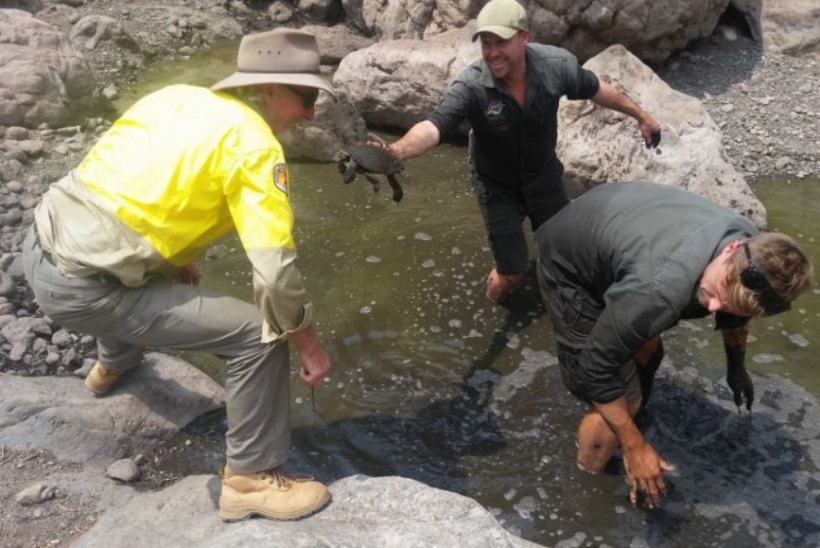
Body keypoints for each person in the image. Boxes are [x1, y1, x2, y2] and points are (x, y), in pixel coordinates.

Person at [23, 29, 337, 522]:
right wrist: (310, 346)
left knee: (142, 268)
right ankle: (250, 479)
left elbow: (122, 189)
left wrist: (170, 258)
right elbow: (276, 277)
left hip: (37, 243)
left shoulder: (175, 98)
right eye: (308, 97)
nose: (311, 112)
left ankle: (113, 365)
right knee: (261, 335)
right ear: (271, 91)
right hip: (82, 289)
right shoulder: (256, 147)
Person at [535, 181, 814, 508]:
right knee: (622, 396)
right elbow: (596, 368)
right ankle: (585, 483)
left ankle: (628, 417)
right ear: (730, 252)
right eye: (720, 291)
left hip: (622, 229)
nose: (712, 309)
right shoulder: (659, 289)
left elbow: (737, 312)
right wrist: (635, 447)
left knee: (650, 353)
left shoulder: (755, 246)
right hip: (569, 259)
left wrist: (736, 367)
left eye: (727, 307)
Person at [384, 0, 662, 303]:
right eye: (486, 44)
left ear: (524, 36)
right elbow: (435, 126)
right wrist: (396, 150)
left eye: (501, 42)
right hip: (496, 185)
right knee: (512, 273)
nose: (492, 52)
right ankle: (494, 308)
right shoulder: (472, 85)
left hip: (544, 176)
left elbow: (597, 89)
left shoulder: (556, 66)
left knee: (565, 252)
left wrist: (641, 116)